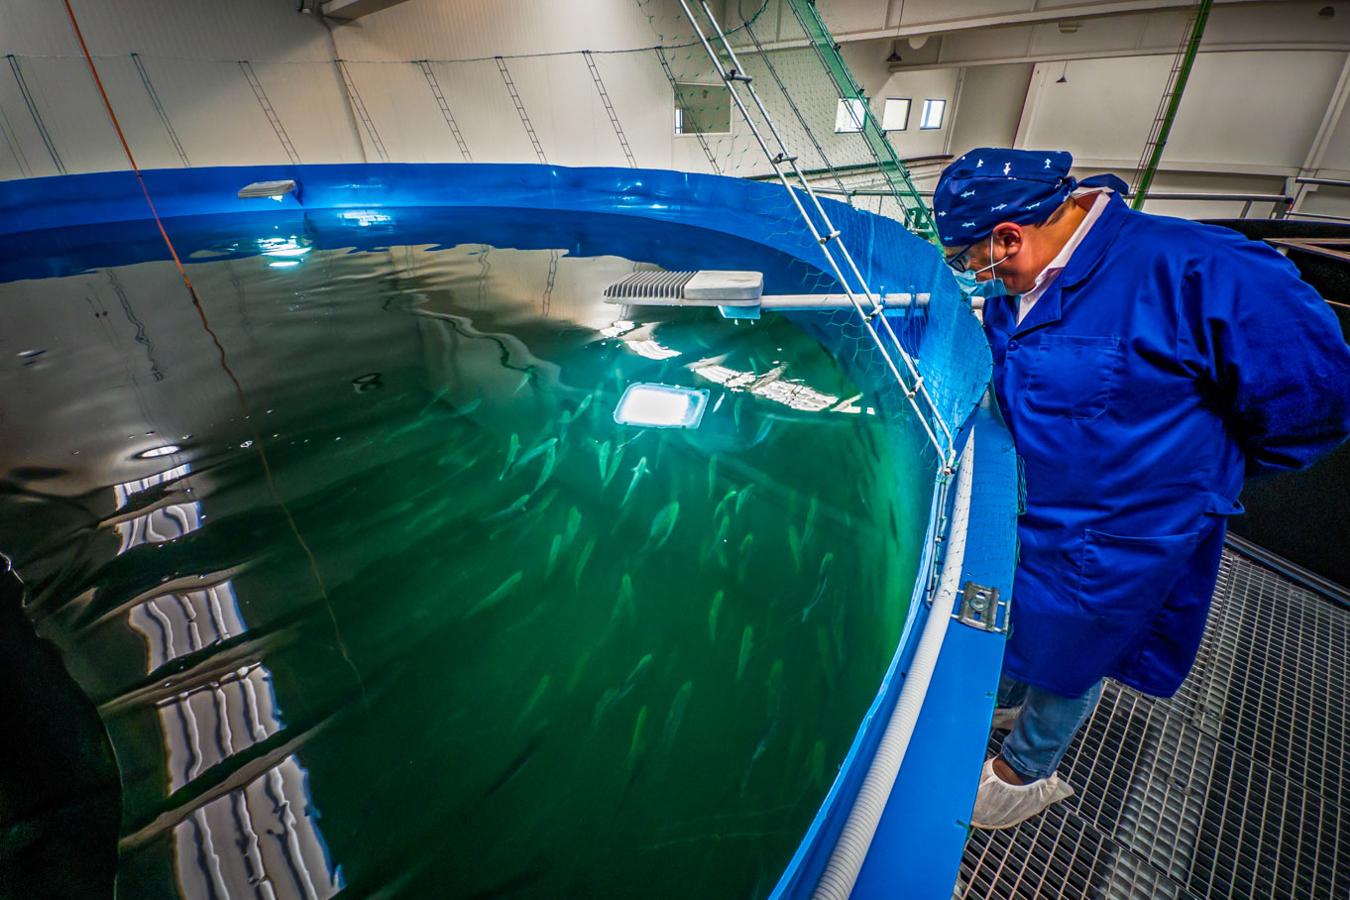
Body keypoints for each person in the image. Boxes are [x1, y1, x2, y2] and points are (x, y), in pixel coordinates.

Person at [931, 148, 1350, 830]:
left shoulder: (1201, 269)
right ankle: (1008, 703)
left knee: (1079, 654)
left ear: (1010, 235)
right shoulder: (1024, 281)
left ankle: (1021, 775)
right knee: (1029, 628)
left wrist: (1190, 481)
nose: (983, 278)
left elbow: (1316, 396)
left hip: (1126, 533)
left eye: (977, 260)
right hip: (1034, 516)